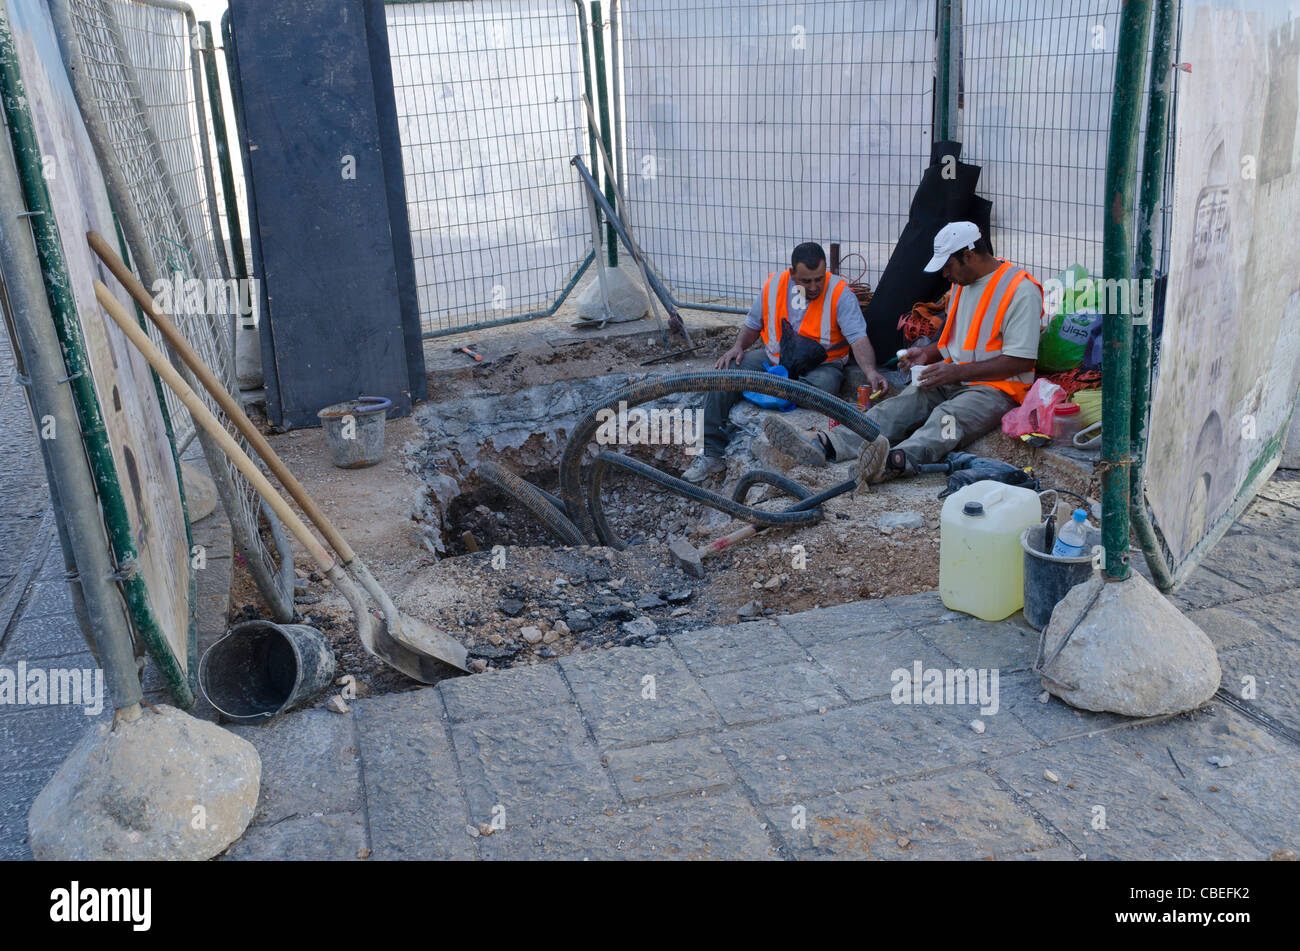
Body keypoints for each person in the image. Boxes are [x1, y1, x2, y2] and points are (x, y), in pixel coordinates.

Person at [762, 221, 1042, 482]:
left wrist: (955, 370)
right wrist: (930, 354)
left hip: (995, 390)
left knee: (947, 420)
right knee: (899, 407)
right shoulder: (962, 283)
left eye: (948, 266)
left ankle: (893, 462)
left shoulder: (1020, 291)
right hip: (955, 375)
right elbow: (967, 340)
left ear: (968, 255)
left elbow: (1020, 360)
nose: (945, 275)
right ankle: (827, 444)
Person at [681, 242, 889, 482]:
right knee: (722, 375)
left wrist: (871, 372)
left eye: (818, 279)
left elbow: (857, 338)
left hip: (821, 367)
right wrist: (737, 348)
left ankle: (771, 392)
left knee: (823, 387)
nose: (813, 287)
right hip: (773, 359)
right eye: (806, 281)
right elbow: (752, 324)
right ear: (792, 273)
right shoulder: (774, 285)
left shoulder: (840, 293)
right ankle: (711, 455)